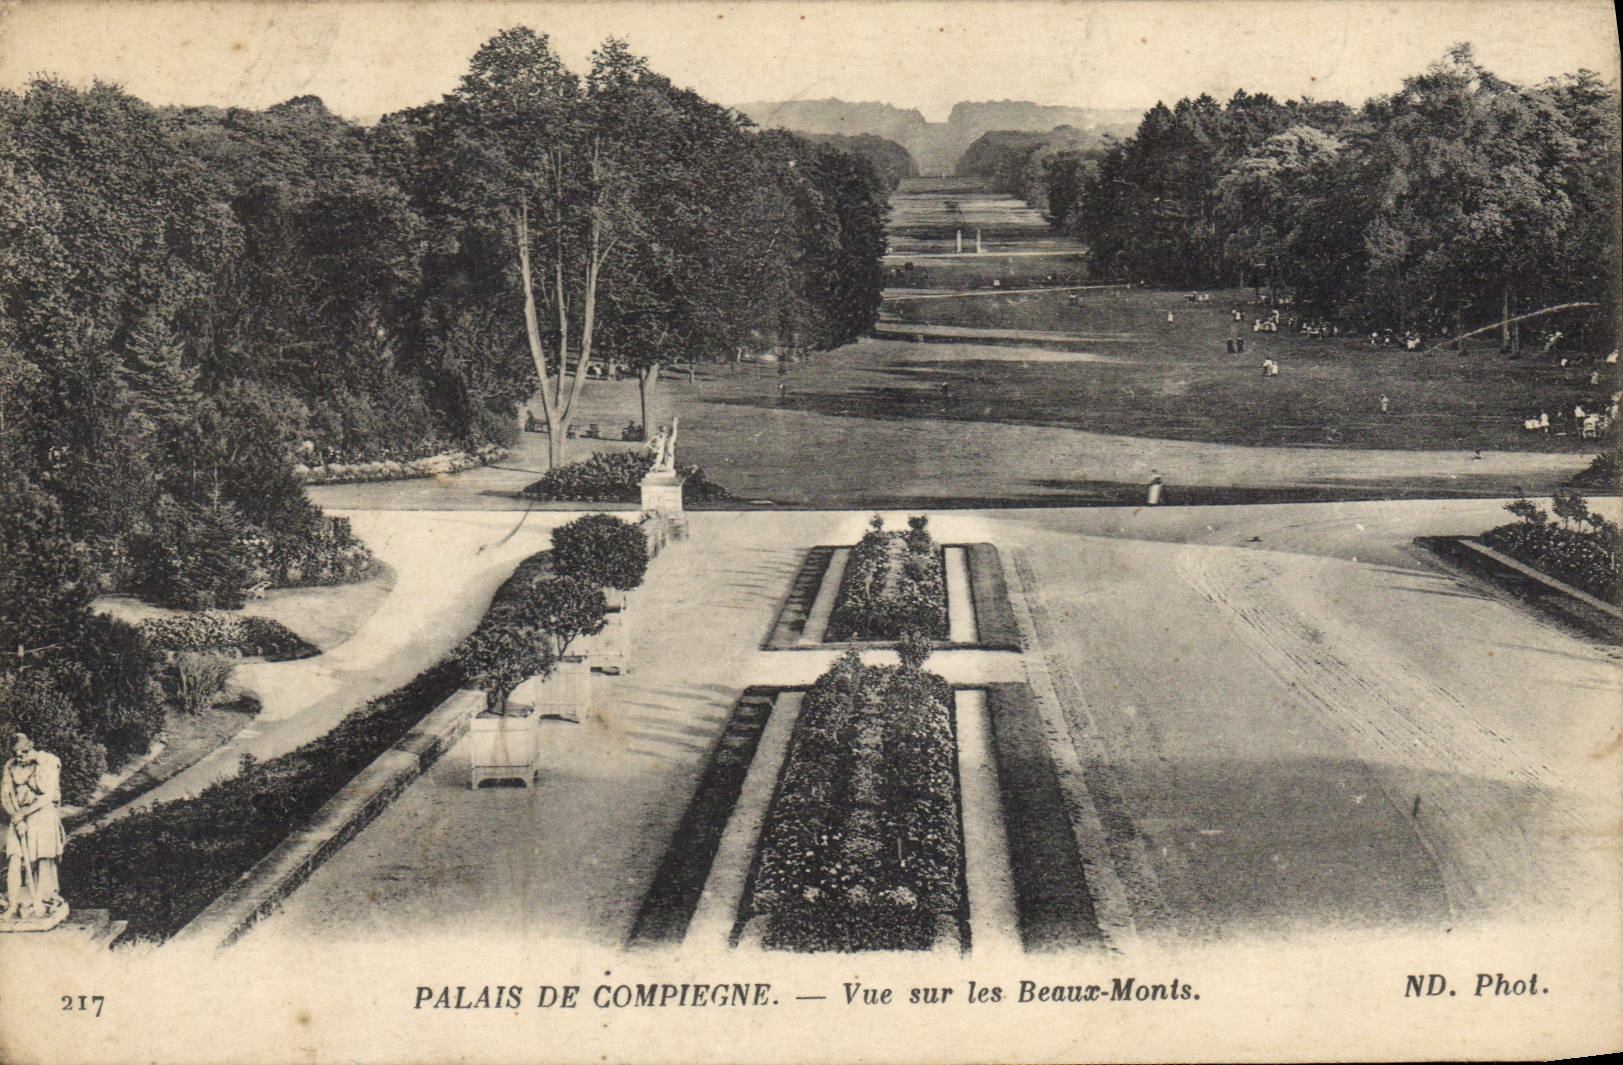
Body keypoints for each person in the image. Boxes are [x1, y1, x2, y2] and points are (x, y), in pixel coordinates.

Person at [2, 734, 66, 920]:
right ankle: (13, 905)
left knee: (42, 859)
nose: (20, 757)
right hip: (19, 817)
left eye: (23, 752)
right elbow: (5, 796)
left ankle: (41, 901)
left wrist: (23, 814)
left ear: (31, 747)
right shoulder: (10, 766)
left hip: (43, 814)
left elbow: (49, 795)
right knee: (14, 858)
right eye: (16, 754)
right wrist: (17, 818)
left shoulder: (49, 761)